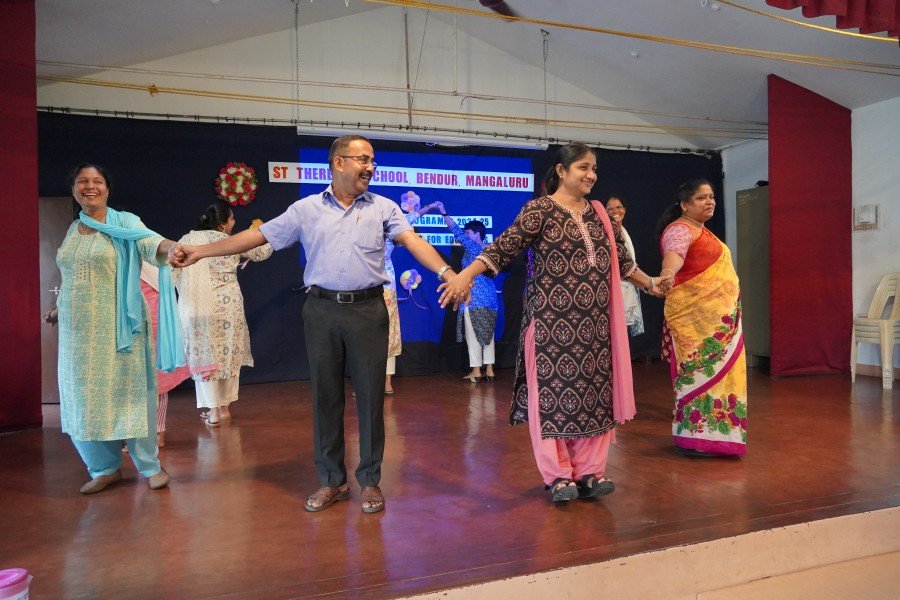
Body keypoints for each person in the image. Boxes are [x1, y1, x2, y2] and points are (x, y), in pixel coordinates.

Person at [169, 135, 470, 514]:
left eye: (372, 160)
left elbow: (412, 241)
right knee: (326, 397)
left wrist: (447, 271)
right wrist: (199, 252)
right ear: (338, 163)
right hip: (322, 310)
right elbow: (256, 236)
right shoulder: (306, 209)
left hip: (368, 310)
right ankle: (332, 481)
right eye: (362, 159)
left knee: (371, 398)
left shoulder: (384, 207)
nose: (370, 166)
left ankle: (370, 480)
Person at [437, 143, 669, 503]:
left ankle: (591, 472)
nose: (591, 175)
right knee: (552, 400)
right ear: (561, 170)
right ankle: (558, 475)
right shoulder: (540, 210)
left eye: (594, 168)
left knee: (594, 397)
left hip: (595, 327)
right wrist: (463, 276)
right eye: (583, 167)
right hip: (549, 326)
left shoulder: (600, 215)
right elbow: (502, 248)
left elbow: (623, 263)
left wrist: (652, 284)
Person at [41, 163, 183, 494]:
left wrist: (172, 248)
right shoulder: (74, 229)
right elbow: (73, 279)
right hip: (78, 334)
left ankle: (149, 466)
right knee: (83, 398)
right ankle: (103, 468)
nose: (90, 186)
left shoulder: (125, 222)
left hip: (120, 328)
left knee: (131, 394)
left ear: (107, 188)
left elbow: (151, 243)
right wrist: (59, 309)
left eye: (97, 181)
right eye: (82, 181)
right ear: (73, 189)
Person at [656, 179, 747, 457]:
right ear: (684, 205)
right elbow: (674, 255)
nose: (709, 202)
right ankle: (695, 439)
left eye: (711, 197)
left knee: (724, 379)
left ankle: (719, 438)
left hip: (719, 325)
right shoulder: (681, 230)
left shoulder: (702, 231)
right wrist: (667, 274)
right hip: (697, 326)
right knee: (699, 377)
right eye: (701, 198)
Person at [173, 204, 273, 427]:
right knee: (226, 355)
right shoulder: (230, 242)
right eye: (232, 219)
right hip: (228, 307)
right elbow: (260, 252)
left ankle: (214, 411)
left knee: (205, 356)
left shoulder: (187, 239)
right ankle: (224, 408)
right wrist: (262, 231)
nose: (234, 222)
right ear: (222, 224)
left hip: (199, 307)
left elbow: (174, 267)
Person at [382, 191, 441, 394]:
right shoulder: (364, 228)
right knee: (373, 335)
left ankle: (385, 381)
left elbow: (412, 217)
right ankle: (373, 382)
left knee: (385, 334)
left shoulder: (388, 227)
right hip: (369, 287)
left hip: (383, 287)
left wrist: (430, 207)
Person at [437, 202, 498, 383]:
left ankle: (476, 371)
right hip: (491, 300)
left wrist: (443, 212)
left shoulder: (474, 248)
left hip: (474, 299)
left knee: (473, 335)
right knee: (488, 334)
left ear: (477, 234)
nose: (466, 236)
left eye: (468, 233)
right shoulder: (490, 251)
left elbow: (456, 231)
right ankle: (490, 369)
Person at [140, 262, 192, 447]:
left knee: (157, 381)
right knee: (145, 382)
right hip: (138, 324)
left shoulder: (151, 264)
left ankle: (156, 433)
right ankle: (148, 434)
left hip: (153, 322)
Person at [605, 196, 644, 336]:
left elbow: (630, 262)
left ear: (624, 210)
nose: (615, 211)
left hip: (627, 287)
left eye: (618, 207)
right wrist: (648, 284)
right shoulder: (605, 233)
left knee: (622, 334)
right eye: (610, 209)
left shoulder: (624, 232)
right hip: (612, 288)